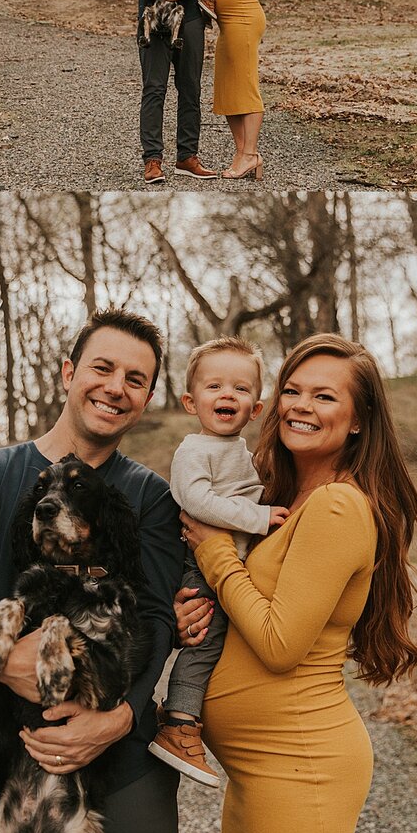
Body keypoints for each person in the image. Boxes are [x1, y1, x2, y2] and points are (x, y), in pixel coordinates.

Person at [0, 311, 182, 833]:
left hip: (123, 766)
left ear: (148, 396)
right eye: (102, 368)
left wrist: (122, 718)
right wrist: (6, 658)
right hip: (1, 760)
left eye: (135, 380)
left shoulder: (149, 496)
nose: (116, 388)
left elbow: (157, 617)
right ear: (68, 373)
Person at [175, 333, 417, 833]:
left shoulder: (337, 505)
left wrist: (214, 553)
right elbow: (246, 606)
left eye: (325, 396)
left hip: (298, 765)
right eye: (293, 391)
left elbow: (280, 643)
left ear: (358, 420)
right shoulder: (279, 498)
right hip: (258, 770)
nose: (302, 406)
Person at [149, 336, 283, 790]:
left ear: (256, 409)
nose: (227, 395)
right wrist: (259, 518)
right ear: (191, 401)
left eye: (240, 389)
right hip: (203, 568)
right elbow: (196, 502)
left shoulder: (241, 452)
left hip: (233, 564)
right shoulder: (194, 450)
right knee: (204, 642)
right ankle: (179, 724)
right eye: (214, 387)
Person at [128, 0, 216, 186]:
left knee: (190, 88)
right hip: (153, 18)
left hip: (189, 20)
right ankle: (153, 159)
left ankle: (187, 157)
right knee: (154, 89)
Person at [210, 0, 287, 180]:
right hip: (229, 22)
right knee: (228, 89)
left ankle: (250, 154)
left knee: (245, 87)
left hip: (244, 19)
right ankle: (244, 154)